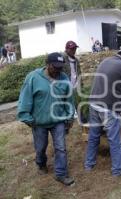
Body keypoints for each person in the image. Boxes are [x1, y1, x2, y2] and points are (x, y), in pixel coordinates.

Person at [17, 52, 75, 186]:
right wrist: (26, 117)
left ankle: (61, 174)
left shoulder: (64, 78)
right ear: (47, 65)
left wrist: (70, 117)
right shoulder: (33, 78)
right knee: (41, 147)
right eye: (55, 67)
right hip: (39, 122)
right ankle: (41, 163)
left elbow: (69, 100)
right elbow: (25, 98)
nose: (58, 70)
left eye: (61, 67)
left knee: (61, 147)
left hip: (58, 121)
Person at [84, 46, 121, 176]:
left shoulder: (105, 61)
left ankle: (89, 165)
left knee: (93, 136)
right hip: (108, 107)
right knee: (115, 140)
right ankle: (117, 171)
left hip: (93, 103)